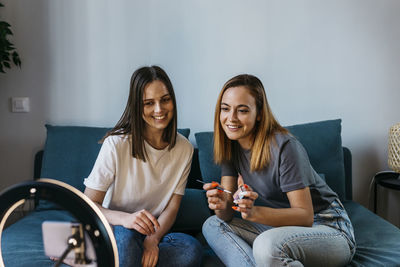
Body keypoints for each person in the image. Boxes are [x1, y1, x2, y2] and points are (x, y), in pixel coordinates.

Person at [201, 74, 356, 267]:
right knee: (213, 224)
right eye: (225, 109)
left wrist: (253, 212)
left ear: (258, 114)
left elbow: (305, 217)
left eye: (242, 110)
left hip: (328, 229)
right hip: (281, 230)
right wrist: (220, 204)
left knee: (266, 245)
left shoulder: (284, 146)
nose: (231, 118)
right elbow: (226, 216)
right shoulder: (230, 146)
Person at [83, 66, 202, 267]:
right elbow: (88, 204)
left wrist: (153, 240)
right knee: (125, 239)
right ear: (137, 106)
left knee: (191, 249)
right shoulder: (116, 144)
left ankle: (106, 261)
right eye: (149, 103)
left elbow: (172, 209)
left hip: (151, 234)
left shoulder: (184, 148)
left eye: (165, 100)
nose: (159, 109)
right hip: (116, 231)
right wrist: (126, 219)